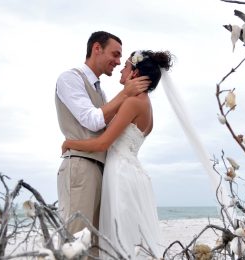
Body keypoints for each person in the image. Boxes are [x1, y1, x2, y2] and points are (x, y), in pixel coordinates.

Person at [62, 50, 173, 259]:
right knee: (131, 238)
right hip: (133, 172)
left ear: (134, 73)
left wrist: (70, 143)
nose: (121, 69)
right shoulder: (146, 105)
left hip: (120, 173)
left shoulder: (132, 103)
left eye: (126, 66)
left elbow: (103, 143)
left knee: (118, 238)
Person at [55, 31, 150, 238]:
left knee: (95, 245)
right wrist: (125, 93)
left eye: (121, 59)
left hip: (103, 170)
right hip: (81, 166)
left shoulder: (101, 92)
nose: (117, 62)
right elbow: (92, 120)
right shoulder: (71, 78)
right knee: (76, 239)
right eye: (115, 55)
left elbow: (106, 132)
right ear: (96, 48)